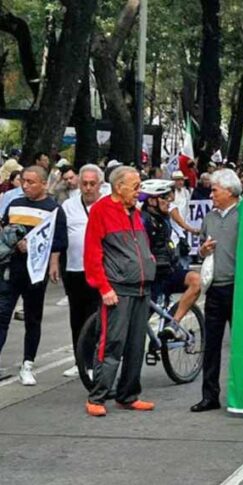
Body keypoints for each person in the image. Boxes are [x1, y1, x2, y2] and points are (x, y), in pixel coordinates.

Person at [83, 166, 156, 417]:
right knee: (111, 343)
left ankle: (128, 395)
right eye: (135, 186)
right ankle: (98, 395)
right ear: (118, 187)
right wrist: (104, 287)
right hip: (118, 289)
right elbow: (93, 254)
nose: (139, 191)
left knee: (136, 345)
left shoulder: (133, 211)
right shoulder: (102, 211)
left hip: (141, 288)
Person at [0, 166, 67, 385]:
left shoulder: (54, 209)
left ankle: (28, 363)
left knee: (32, 318)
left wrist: (50, 259)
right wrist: (11, 239)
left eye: (31, 182)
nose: (26, 186)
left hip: (35, 272)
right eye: (24, 181)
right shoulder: (14, 204)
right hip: (11, 268)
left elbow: (59, 240)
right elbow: (3, 229)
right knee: (2, 315)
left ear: (44, 184)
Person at [191, 168, 241, 413]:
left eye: (215, 190)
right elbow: (200, 247)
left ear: (230, 191)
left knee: (241, 344)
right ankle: (209, 396)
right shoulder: (209, 217)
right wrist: (203, 251)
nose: (211, 194)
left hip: (238, 288)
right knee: (211, 345)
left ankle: (242, 393)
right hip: (214, 288)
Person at [139, 179, 202, 333]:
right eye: (165, 197)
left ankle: (173, 323)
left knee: (196, 280)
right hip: (152, 276)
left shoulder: (163, 217)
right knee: (139, 323)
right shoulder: (142, 220)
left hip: (168, 271)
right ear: (152, 201)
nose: (170, 201)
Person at [60, 164, 103, 377]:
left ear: (100, 185)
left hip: (100, 271)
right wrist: (54, 264)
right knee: (76, 317)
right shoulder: (69, 206)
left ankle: (92, 361)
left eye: (92, 184)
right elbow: (60, 236)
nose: (87, 188)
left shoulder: (107, 204)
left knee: (95, 317)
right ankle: (79, 361)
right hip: (74, 269)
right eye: (84, 183)